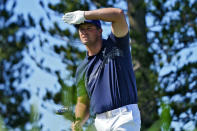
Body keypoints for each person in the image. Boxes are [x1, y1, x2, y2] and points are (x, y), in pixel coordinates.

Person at [62, 8, 141, 131]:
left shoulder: (116, 45)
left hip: (124, 117)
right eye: (81, 29)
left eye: (89, 28)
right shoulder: (82, 69)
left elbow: (119, 15)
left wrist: (84, 15)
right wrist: (78, 122)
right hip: (100, 123)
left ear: (100, 31)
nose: (84, 32)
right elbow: (83, 103)